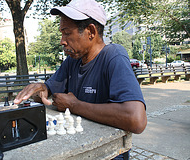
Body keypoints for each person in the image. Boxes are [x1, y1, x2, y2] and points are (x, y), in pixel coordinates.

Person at [14, 0, 147, 159]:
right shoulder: (73, 60)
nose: (62, 41)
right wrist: (42, 88)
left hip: (107, 153)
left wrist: (74, 105)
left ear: (91, 31)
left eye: (67, 33)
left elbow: (136, 120)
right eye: (62, 34)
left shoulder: (113, 56)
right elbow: (49, 88)